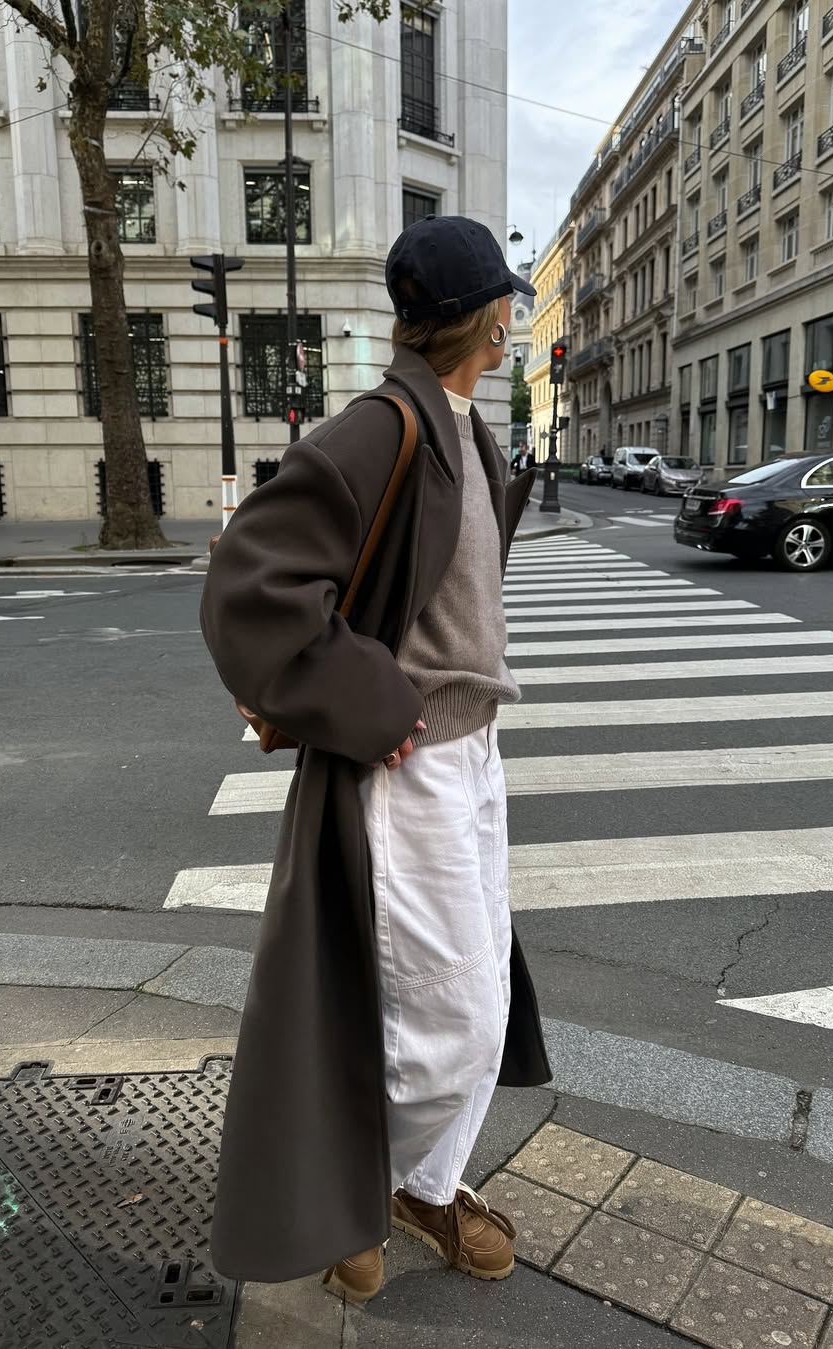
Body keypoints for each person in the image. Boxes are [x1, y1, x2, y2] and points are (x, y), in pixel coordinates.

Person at [199, 215, 552, 1303]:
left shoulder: (464, 425)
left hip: (469, 755)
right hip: (413, 768)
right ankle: (372, 1185)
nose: (513, 320)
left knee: (473, 995)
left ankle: (418, 1184)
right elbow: (248, 586)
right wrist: (376, 707)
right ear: (489, 316)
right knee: (439, 1013)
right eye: (508, 304)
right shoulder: (382, 425)